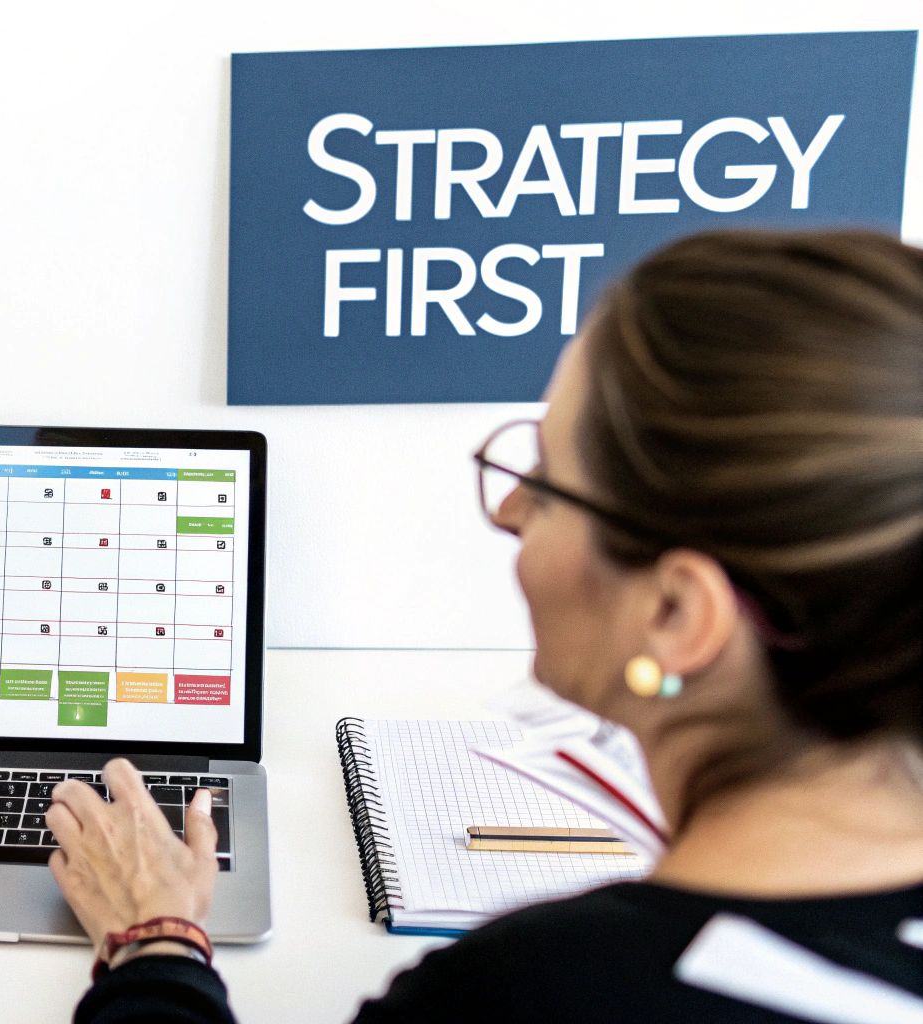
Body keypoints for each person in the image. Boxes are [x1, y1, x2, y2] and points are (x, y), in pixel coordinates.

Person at [50, 229, 923, 1022]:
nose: (508, 510)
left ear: (676, 613)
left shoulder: (538, 994)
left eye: (547, 477)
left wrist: (153, 942)